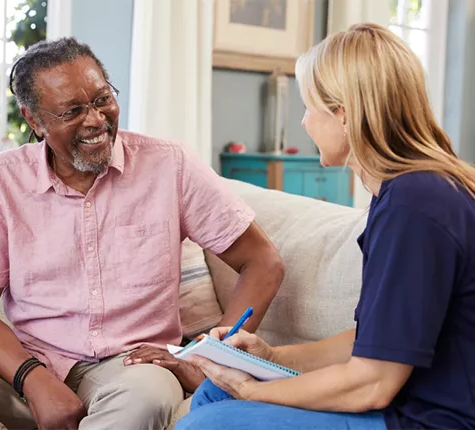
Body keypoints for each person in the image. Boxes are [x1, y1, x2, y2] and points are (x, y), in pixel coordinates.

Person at [0, 38, 285, 430]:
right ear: (35, 121)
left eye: (102, 100)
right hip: (31, 361)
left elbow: (262, 262)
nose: (97, 120)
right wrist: (33, 379)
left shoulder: (170, 165)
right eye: (72, 111)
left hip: (131, 366)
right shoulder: (0, 180)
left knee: (145, 398)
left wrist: (208, 354)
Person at [176, 23, 475, 430]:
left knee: (206, 424)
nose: (304, 122)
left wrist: (255, 390)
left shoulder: (415, 205)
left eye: (310, 107)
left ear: (345, 114)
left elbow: (373, 383)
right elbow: (373, 341)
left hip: (428, 420)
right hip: (401, 401)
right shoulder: (404, 194)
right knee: (215, 392)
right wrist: (271, 357)